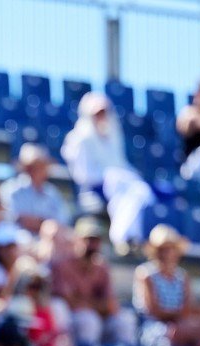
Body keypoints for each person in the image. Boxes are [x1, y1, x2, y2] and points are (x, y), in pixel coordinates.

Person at [61, 92, 151, 248]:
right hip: (93, 191)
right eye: (97, 113)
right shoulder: (79, 138)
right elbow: (83, 175)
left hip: (117, 185)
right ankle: (121, 238)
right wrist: (110, 176)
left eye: (104, 112)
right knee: (120, 183)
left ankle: (131, 238)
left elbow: (121, 164)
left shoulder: (113, 137)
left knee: (140, 190)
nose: (102, 117)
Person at [135, 225, 200, 346]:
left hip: (180, 326)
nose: (167, 254)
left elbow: (186, 307)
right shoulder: (145, 274)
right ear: (155, 251)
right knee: (196, 330)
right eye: (163, 249)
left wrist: (189, 313)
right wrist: (184, 314)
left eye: (170, 249)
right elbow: (153, 310)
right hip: (154, 328)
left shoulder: (182, 277)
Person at [52, 217, 133, 346]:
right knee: (88, 319)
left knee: (124, 321)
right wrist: (96, 306)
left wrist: (88, 304)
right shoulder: (63, 266)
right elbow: (69, 302)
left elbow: (111, 305)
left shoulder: (102, 268)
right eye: (88, 240)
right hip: (71, 321)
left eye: (96, 240)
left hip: (98, 317)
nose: (92, 245)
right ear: (76, 240)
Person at [0, 144, 69, 232]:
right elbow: (14, 219)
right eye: (36, 166)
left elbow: (62, 221)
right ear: (27, 168)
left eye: (42, 166)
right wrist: (44, 223)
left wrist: (42, 224)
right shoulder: (10, 188)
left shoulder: (52, 192)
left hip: (47, 240)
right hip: (18, 239)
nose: (42, 171)